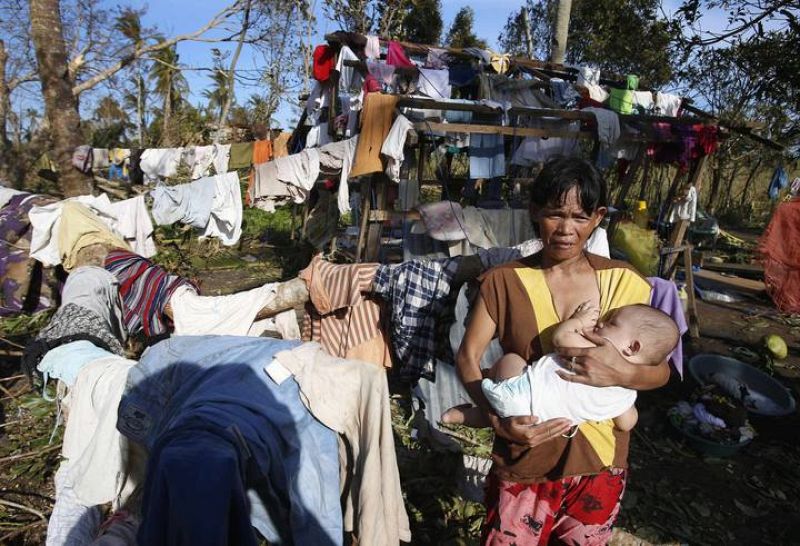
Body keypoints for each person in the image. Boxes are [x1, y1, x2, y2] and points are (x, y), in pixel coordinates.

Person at [456, 157, 671, 545]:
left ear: (598, 216)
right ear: (535, 211)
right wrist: (495, 419)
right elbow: (468, 357)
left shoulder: (624, 282)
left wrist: (621, 374)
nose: (566, 229)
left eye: (579, 216)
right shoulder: (505, 281)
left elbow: (662, 371)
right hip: (527, 457)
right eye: (555, 214)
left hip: (601, 464)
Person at [444, 302, 680, 433]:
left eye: (611, 323)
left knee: (513, 360)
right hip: (540, 422)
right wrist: (629, 410)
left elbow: (561, 338)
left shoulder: (591, 351)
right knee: (497, 414)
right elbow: (627, 423)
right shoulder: (626, 394)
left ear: (632, 346)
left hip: (520, 392)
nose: (600, 323)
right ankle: (458, 416)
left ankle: (489, 379)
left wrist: (578, 320)